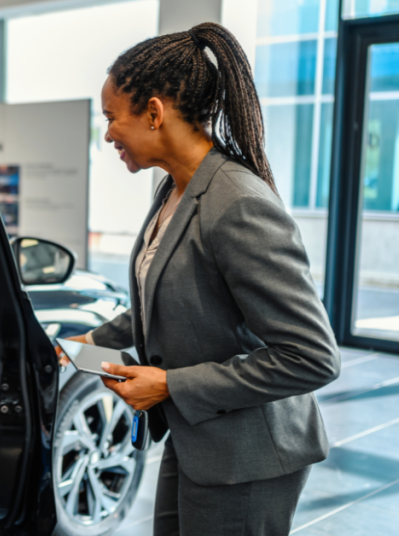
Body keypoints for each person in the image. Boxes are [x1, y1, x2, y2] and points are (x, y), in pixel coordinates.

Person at [60, 22, 340, 535]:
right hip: (198, 434)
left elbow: (312, 357)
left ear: (153, 112)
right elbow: (165, 295)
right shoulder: (175, 191)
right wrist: (92, 342)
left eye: (110, 118)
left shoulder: (238, 205)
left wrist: (170, 384)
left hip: (249, 458)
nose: (106, 134)